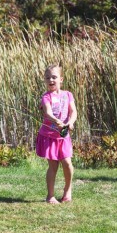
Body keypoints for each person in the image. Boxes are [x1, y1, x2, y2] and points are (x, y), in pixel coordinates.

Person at [36, 64, 77, 204]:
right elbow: (47, 112)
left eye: (54, 77)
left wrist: (70, 122)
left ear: (61, 79)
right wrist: (56, 120)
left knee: (67, 163)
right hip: (49, 136)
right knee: (53, 166)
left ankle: (67, 190)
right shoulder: (46, 97)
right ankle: (50, 196)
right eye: (48, 78)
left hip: (63, 136)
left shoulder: (68, 95)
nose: (51, 80)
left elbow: (73, 111)